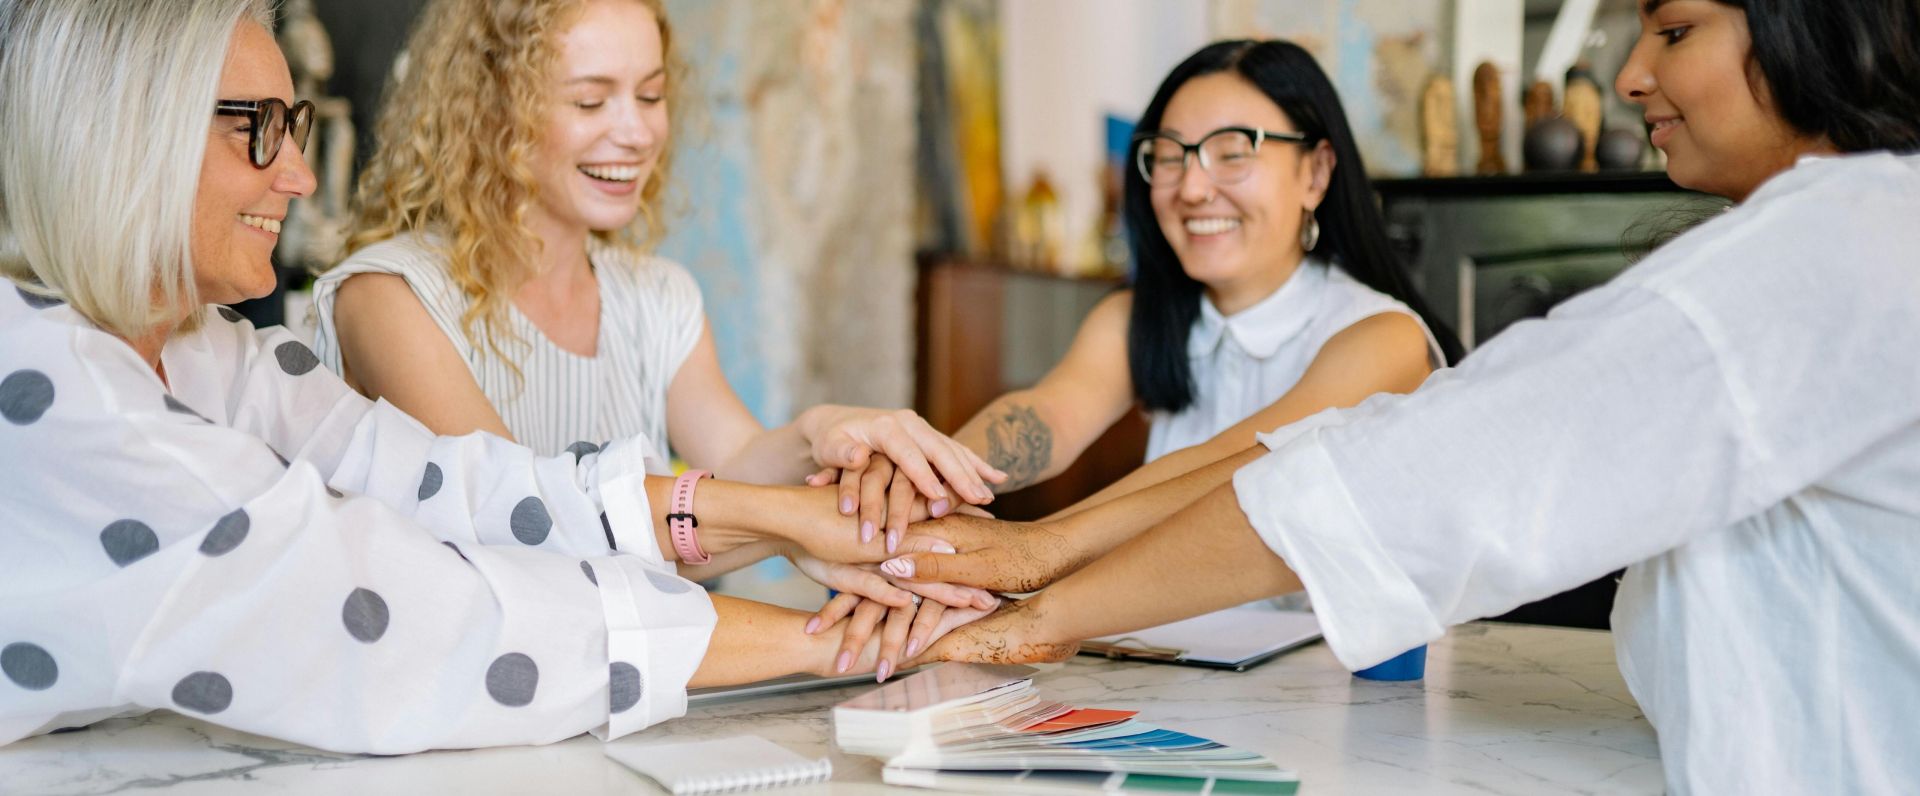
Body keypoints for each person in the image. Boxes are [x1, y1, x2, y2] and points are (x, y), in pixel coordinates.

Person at [893, 1, 1920, 792]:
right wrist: (909, 485)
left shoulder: (1834, 249)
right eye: (1165, 157)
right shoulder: (1135, 318)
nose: (1630, 72)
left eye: (1676, 27)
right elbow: (1034, 425)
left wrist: (1044, 578)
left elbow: (1365, 473)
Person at [0, 0, 964, 754]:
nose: (296, 175)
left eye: (291, 124)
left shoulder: (219, 353)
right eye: (257, 127)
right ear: (125, 134)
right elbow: (414, 610)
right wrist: (851, 636)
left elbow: (467, 487)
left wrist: (796, 505)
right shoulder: (61, 388)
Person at [309, 0, 998, 560]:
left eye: (651, 94)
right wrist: (795, 525)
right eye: (590, 102)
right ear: (491, 114)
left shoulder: (659, 297)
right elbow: (527, 523)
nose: (637, 132)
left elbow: (736, 463)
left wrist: (823, 437)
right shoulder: (389, 297)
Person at [942, 39, 1459, 512]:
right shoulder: (1138, 316)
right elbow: (1048, 416)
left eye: (1232, 153)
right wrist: (931, 476)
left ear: (1316, 174)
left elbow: (1221, 470)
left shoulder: (1383, 336)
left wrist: (1019, 554)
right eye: (1170, 155)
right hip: (1173, 618)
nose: (1191, 188)